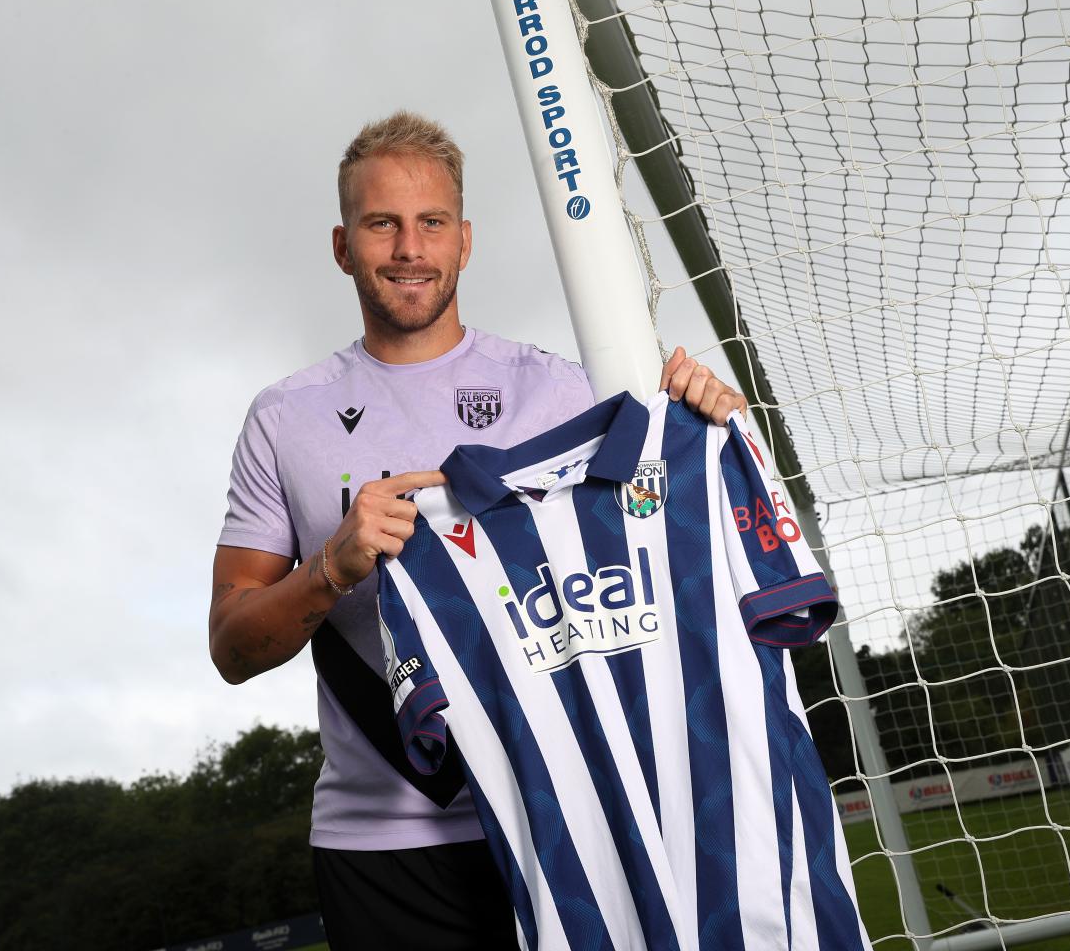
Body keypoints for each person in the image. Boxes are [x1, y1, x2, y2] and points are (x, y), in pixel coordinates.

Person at [209, 110, 746, 950]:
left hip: (569, 807)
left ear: (465, 241)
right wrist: (331, 568)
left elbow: (659, 542)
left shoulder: (567, 393)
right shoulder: (284, 419)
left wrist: (703, 424)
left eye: (430, 224)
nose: (408, 249)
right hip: (388, 847)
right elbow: (231, 648)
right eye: (381, 224)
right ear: (344, 246)